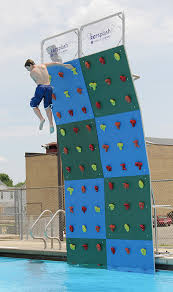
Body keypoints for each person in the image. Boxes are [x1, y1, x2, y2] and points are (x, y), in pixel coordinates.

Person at [25, 59, 73, 134]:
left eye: (27, 68)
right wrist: (64, 65)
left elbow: (37, 82)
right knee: (47, 107)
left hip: (41, 88)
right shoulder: (43, 65)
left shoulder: (31, 73)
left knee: (33, 105)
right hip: (49, 87)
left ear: (30, 65)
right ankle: (51, 125)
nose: (28, 70)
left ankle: (41, 119)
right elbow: (54, 63)